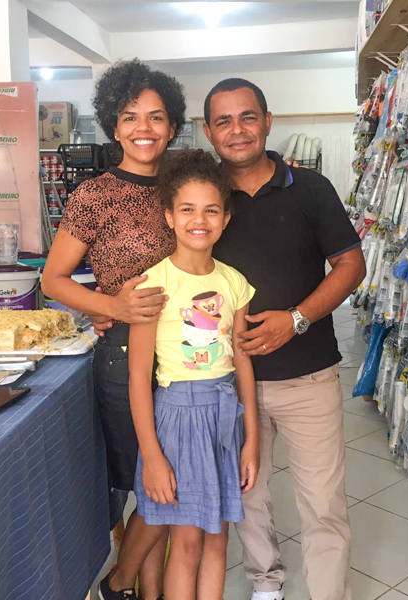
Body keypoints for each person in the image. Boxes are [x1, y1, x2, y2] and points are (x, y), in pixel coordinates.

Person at [203, 78, 367, 600]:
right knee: (249, 494)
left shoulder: (311, 188)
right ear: (209, 132)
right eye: (224, 121)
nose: (237, 130)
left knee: (322, 502)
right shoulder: (203, 199)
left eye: (247, 117)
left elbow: (350, 264)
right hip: (228, 380)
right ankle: (265, 582)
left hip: (308, 377)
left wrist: (295, 319)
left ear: (268, 122)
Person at [41, 59, 186, 600]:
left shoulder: (187, 183)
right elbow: (53, 279)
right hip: (128, 356)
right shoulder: (93, 196)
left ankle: (130, 585)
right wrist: (112, 305)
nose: (143, 129)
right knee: (151, 484)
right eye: (130, 117)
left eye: (155, 117)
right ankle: (130, 586)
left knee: (177, 479)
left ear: (172, 125)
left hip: (193, 351)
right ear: (113, 125)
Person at [128, 149, 259, 600]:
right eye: (186, 209)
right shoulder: (150, 285)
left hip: (224, 418)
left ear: (225, 218)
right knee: (185, 541)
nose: (198, 220)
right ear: (168, 216)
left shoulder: (235, 283)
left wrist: (253, 441)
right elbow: (138, 377)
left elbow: (242, 361)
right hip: (177, 419)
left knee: (219, 537)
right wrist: (153, 455)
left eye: (210, 210)